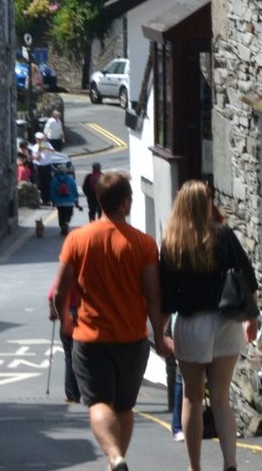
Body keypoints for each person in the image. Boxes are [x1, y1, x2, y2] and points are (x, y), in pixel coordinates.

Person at [48, 171, 171, 471]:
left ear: (100, 201)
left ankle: (115, 457)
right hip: (132, 337)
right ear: (126, 202)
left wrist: (63, 316)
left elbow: (60, 290)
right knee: (125, 406)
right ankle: (115, 457)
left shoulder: (78, 238)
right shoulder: (143, 244)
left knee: (98, 403)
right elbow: (154, 296)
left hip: (91, 338)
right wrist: (160, 335)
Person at [161, 180, 258, 471]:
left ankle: (195, 467)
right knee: (221, 398)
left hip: (192, 324)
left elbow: (166, 295)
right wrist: (251, 319)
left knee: (192, 396)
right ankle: (230, 463)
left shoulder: (172, 243)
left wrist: (157, 331)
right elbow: (248, 278)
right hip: (227, 322)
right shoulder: (224, 236)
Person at [48, 276, 84, 403]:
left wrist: (53, 312)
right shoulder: (83, 274)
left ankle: (71, 393)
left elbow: (52, 295)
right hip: (82, 316)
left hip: (66, 315)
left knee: (69, 354)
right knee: (83, 354)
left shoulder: (63, 276)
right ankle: (83, 391)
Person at [51, 162, 79, 236]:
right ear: (66, 171)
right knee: (69, 214)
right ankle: (66, 224)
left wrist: (53, 201)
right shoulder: (70, 179)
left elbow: (52, 191)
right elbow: (74, 189)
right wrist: (76, 198)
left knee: (61, 214)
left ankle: (63, 227)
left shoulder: (54, 180)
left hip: (59, 202)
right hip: (69, 201)